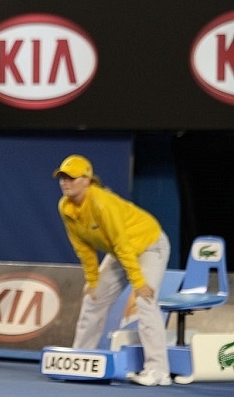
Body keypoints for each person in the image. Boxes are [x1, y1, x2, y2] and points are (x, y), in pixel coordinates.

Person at [52, 154, 172, 387]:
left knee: (145, 301)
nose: (65, 182)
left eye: (71, 178)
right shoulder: (65, 207)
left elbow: (121, 243)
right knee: (92, 299)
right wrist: (92, 279)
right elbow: (83, 247)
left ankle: (158, 371)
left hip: (149, 244)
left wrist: (138, 282)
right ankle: (81, 360)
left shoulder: (102, 203)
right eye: (62, 178)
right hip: (121, 252)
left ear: (86, 180)